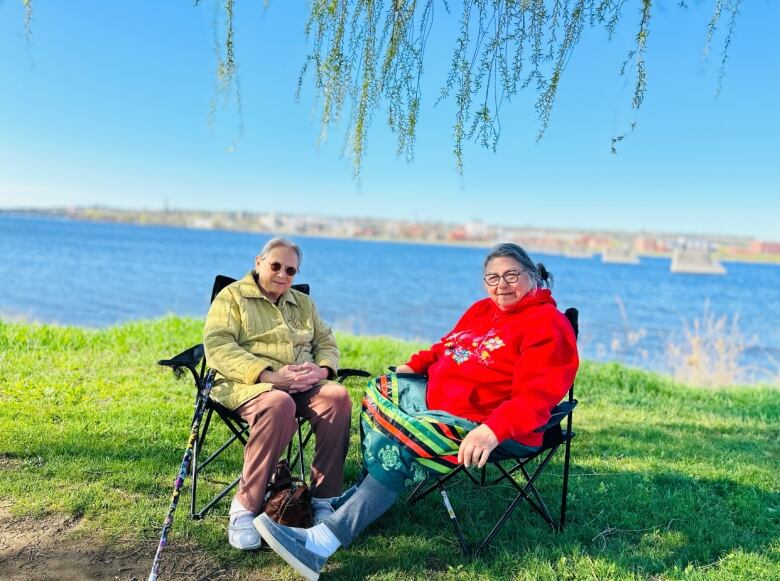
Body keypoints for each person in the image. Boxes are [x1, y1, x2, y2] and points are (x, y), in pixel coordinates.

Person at [253, 242, 580, 580]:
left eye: (512, 275)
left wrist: (492, 430)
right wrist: (418, 364)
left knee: (400, 441)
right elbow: (448, 346)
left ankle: (321, 543)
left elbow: (536, 398)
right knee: (378, 389)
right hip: (437, 403)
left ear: (532, 276)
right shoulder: (482, 309)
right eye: (492, 277)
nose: (501, 285)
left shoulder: (548, 325)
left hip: (489, 425)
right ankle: (366, 491)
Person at [203, 237, 352, 551]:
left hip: (301, 384)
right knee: (278, 402)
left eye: (291, 270)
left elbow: (327, 342)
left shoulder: (302, 303)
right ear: (259, 262)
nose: (283, 275)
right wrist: (270, 376)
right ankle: (244, 508)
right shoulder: (232, 298)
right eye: (275, 266)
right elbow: (218, 347)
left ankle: (323, 501)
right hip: (248, 384)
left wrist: (321, 371)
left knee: (337, 397)